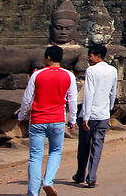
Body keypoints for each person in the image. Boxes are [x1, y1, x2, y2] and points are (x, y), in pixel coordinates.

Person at [18, 45, 77, 196]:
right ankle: (48, 181)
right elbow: (72, 99)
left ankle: (33, 192)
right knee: (55, 152)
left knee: (35, 156)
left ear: (48, 58)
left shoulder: (37, 75)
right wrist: (73, 119)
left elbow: (27, 98)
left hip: (38, 119)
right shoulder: (69, 75)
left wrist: (21, 116)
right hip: (57, 119)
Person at [72, 44, 117, 188]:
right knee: (97, 146)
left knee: (84, 146)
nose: (88, 58)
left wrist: (85, 116)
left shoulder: (91, 70)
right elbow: (112, 92)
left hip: (90, 114)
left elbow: (89, 94)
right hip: (103, 114)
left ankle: (80, 174)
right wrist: (109, 110)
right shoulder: (113, 70)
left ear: (98, 56)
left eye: (90, 55)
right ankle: (91, 177)